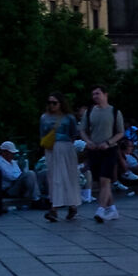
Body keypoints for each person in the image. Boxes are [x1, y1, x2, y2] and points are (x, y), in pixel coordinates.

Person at [79, 85, 127, 221]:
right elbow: (82, 130)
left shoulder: (115, 112)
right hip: (94, 150)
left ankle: (101, 209)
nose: (95, 96)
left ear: (105, 94)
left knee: (105, 179)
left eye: (97, 93)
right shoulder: (89, 112)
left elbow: (120, 132)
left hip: (110, 150)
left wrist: (109, 142)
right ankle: (112, 209)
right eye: (93, 94)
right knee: (101, 182)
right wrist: (88, 141)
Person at [37, 94, 83, 222]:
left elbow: (73, 134)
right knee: (54, 178)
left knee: (67, 177)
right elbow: (42, 134)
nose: (51, 105)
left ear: (61, 103)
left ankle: (61, 207)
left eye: (54, 103)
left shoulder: (69, 118)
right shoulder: (44, 117)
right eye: (49, 102)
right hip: (51, 148)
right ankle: (58, 207)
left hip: (65, 147)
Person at [0, 142, 35, 208]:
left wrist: (20, 176)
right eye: (11, 153)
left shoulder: (13, 162)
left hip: (16, 185)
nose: (13, 155)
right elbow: (10, 177)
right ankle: (36, 198)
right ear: (4, 152)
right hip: (9, 189)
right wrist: (21, 176)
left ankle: (37, 197)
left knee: (39, 173)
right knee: (30, 174)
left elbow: (18, 174)